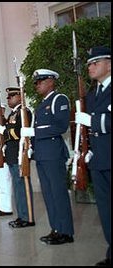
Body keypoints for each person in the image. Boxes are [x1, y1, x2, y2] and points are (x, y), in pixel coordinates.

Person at [21, 69, 74, 245]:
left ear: (51, 81)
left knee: (58, 193)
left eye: (40, 81)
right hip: (42, 155)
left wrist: (34, 132)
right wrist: (31, 148)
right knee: (48, 194)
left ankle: (66, 231)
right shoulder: (41, 104)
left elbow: (61, 126)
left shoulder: (59, 100)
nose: (37, 85)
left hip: (53, 154)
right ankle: (56, 228)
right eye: (36, 82)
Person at [75, 46, 111, 266]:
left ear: (109, 63)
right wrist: (85, 151)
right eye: (89, 63)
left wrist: (92, 122)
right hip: (98, 159)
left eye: (95, 62)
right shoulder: (92, 93)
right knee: (105, 209)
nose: (90, 66)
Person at [0, 88, 34, 227]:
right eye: (8, 97)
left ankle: (27, 217)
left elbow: (20, 132)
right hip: (12, 154)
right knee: (17, 187)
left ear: (20, 96)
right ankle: (21, 215)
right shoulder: (13, 113)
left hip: (20, 152)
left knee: (22, 185)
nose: (9, 99)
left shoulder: (24, 112)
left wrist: (5, 130)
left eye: (12, 96)